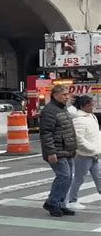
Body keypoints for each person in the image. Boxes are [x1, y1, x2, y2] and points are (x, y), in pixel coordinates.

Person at [39, 85, 77, 217]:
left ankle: (61, 204)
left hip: (67, 149)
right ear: (55, 95)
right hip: (57, 150)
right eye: (64, 94)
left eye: (68, 94)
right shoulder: (49, 111)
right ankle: (52, 202)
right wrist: (51, 152)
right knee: (64, 176)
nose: (67, 97)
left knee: (68, 178)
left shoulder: (63, 109)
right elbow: (46, 133)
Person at [66, 95, 101, 209]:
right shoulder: (79, 119)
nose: (92, 106)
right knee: (79, 179)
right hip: (83, 155)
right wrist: (93, 149)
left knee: (99, 177)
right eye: (89, 105)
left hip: (94, 154)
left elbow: (95, 135)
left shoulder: (91, 116)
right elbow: (79, 139)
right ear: (82, 106)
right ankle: (72, 200)